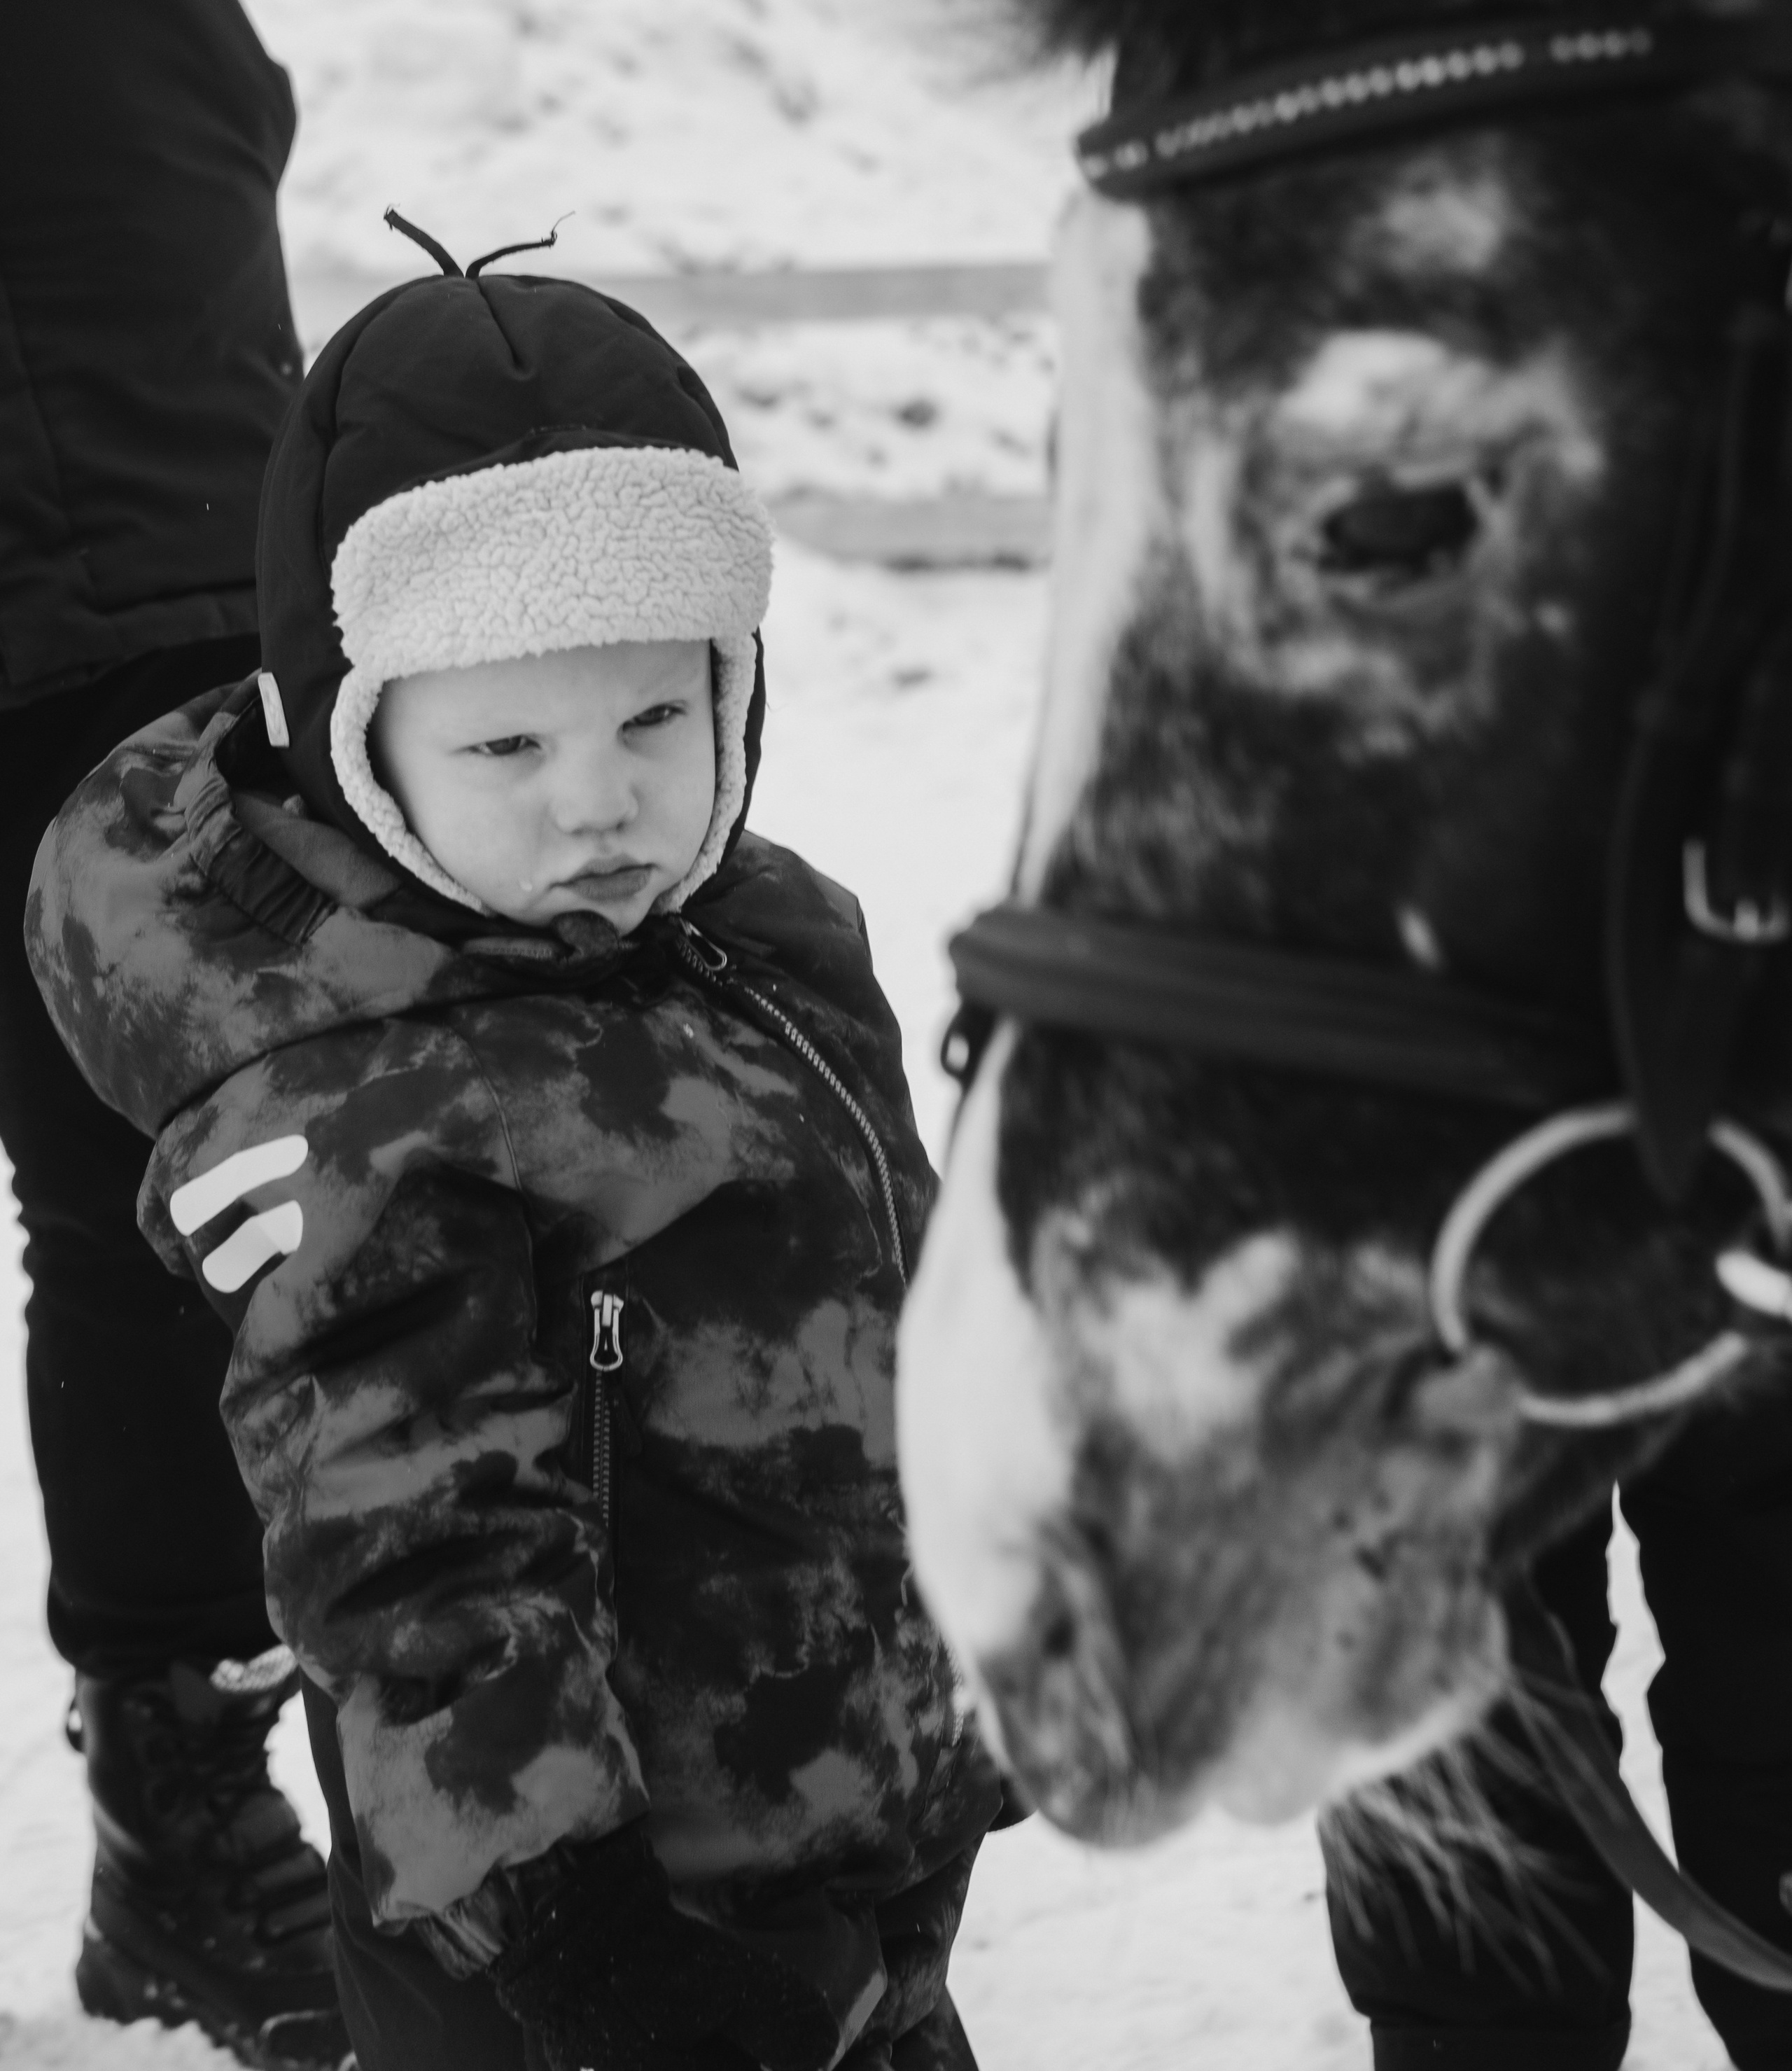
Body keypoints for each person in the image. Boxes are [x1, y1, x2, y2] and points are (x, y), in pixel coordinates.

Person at [26, 235, 1003, 2071]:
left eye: (655, 715)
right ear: (354, 747)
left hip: (829, 1856)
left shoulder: (754, 940)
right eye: (504, 742)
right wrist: (585, 1946)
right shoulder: (363, 1105)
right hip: (582, 1967)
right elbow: (415, 1568)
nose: (598, 799)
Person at [0, 6, 348, 2065]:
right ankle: (189, 1823)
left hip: (242, 614)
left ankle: (401, 1778)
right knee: (153, 1237)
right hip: (56, 646)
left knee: (326, 1201)